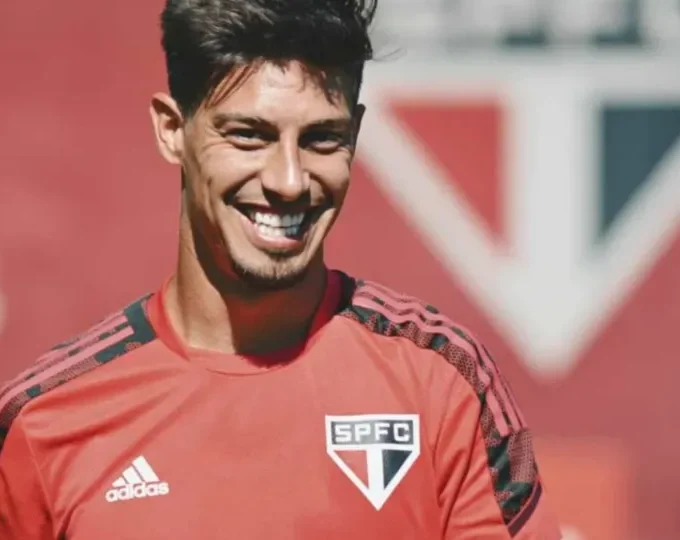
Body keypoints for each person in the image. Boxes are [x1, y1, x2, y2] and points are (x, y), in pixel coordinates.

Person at [0, 0, 562, 538]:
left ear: (355, 135)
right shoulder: (45, 422)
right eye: (249, 135)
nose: (289, 181)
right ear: (172, 129)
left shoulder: (443, 381)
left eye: (322, 139)